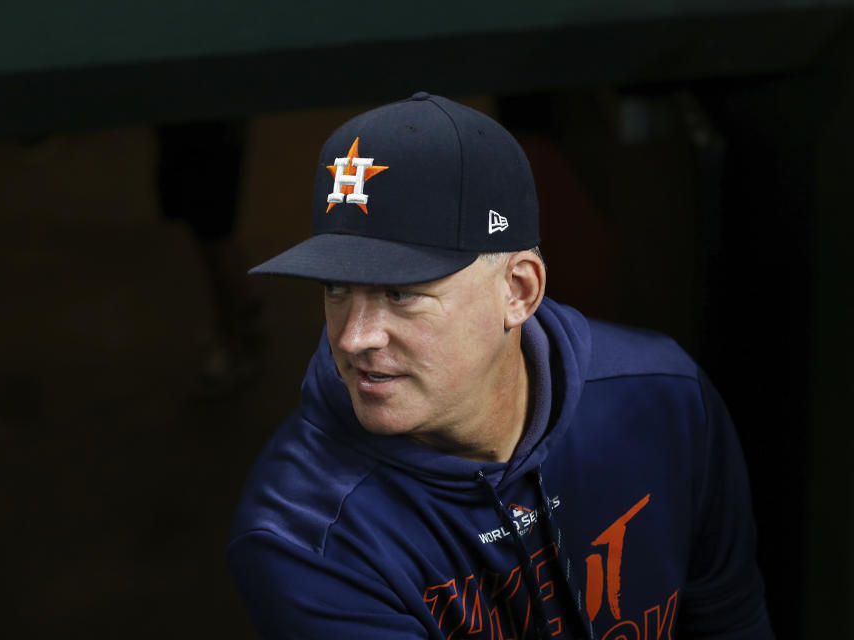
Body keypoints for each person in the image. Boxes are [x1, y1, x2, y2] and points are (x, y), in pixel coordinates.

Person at [227, 92, 773, 639]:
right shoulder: (305, 535)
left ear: (518, 290)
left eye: (400, 293)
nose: (353, 336)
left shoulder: (664, 397)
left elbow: (730, 618)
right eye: (336, 287)